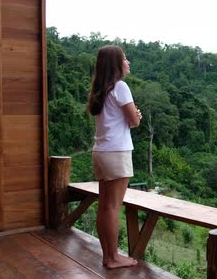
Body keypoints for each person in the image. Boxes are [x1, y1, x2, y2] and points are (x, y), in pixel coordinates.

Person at [86, 45, 142, 269]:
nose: (128, 62)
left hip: (101, 152)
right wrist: (136, 116)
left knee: (105, 206)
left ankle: (108, 256)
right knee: (112, 207)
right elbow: (134, 121)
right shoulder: (121, 87)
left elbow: (120, 119)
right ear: (116, 64)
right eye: (125, 59)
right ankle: (112, 258)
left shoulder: (102, 89)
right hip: (117, 152)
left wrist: (131, 117)